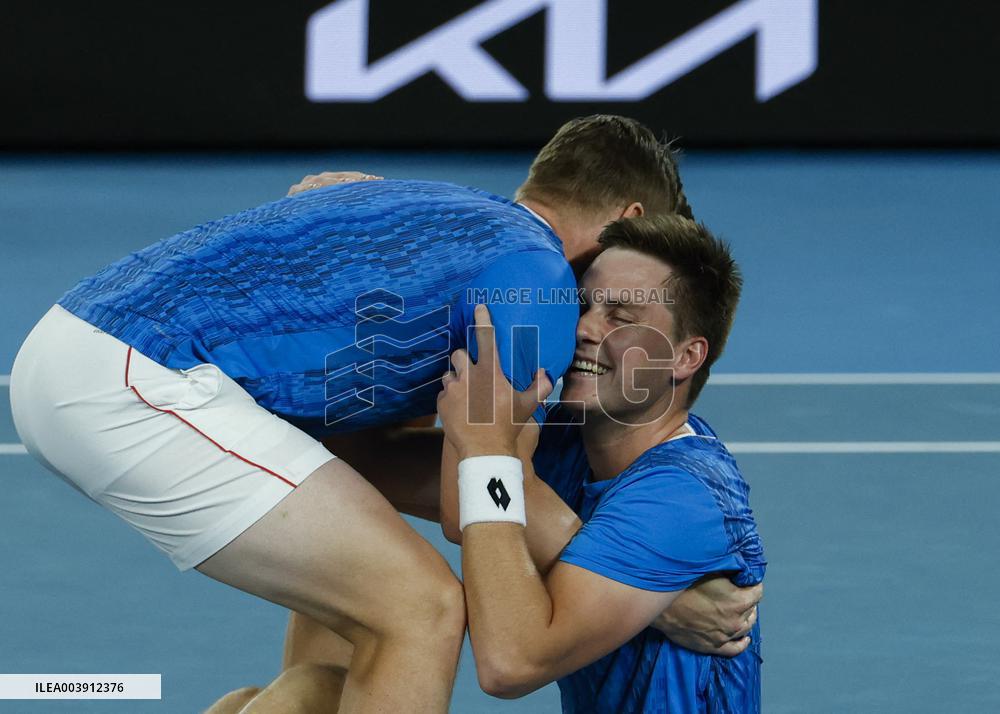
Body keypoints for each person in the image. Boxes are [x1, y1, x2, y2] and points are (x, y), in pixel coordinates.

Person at [9, 116, 724, 713]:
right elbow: (470, 498)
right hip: (135, 381)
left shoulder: (437, 214)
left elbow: (369, 453)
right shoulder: (534, 287)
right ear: (629, 219)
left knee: (336, 669)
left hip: (84, 347)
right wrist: (643, 587)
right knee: (421, 609)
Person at [435, 214, 765, 712]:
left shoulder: (682, 496)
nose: (586, 328)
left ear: (685, 356)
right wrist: (662, 604)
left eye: (621, 317)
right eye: (583, 305)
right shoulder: (571, 441)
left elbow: (510, 663)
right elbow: (454, 507)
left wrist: (487, 451)